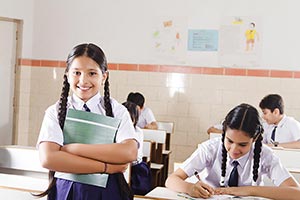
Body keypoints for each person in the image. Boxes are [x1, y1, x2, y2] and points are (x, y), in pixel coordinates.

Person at [36, 43, 138, 200]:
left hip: (108, 192)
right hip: (66, 191)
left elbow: (129, 152)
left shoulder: (117, 111)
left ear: (104, 76)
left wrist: (73, 149)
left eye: (92, 73)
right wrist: (106, 167)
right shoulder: (55, 111)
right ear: (67, 74)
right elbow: (48, 158)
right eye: (76, 72)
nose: (83, 81)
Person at [165, 103, 299, 199]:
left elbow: (296, 192)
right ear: (223, 133)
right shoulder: (210, 149)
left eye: (242, 144)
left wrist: (247, 191)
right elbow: (171, 180)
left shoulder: (265, 154)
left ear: (255, 138)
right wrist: (190, 188)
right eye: (229, 141)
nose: (234, 150)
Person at [122, 101, 152, 195]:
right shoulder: (117, 129)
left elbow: (132, 155)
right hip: (121, 167)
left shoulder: (137, 132)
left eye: (129, 119)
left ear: (135, 119)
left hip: (135, 168)